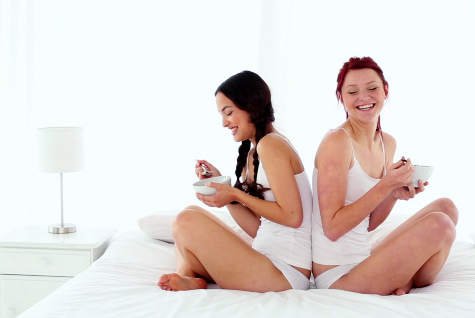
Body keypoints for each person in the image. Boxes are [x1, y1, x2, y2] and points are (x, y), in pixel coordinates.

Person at [311, 56, 458, 295]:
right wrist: (385, 185)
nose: (364, 97)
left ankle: (401, 277)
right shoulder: (337, 141)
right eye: (352, 92)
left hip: (364, 258)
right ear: (341, 98)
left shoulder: (386, 142)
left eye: (372, 88)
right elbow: (333, 228)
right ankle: (408, 280)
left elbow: (367, 224)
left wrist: (393, 194)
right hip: (338, 275)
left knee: (446, 208)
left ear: (385, 91)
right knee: (441, 225)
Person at [158, 70, 312, 292]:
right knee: (191, 212)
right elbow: (258, 228)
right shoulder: (256, 152)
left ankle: (188, 276)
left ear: (251, 106)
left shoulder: (272, 145)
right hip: (267, 259)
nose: (224, 123)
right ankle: (189, 277)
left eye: (228, 113)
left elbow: (292, 216)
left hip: (285, 273)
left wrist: (235, 194)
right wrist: (226, 192)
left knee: (187, 220)